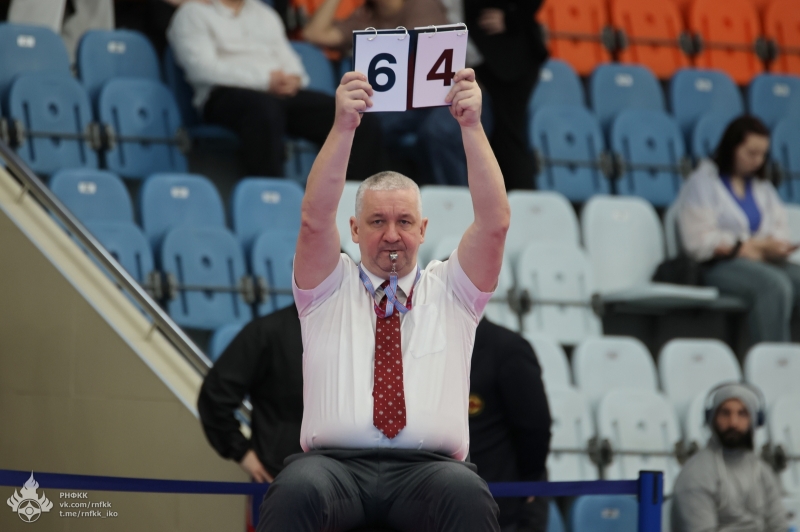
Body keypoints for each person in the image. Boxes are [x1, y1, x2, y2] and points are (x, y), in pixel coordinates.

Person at [258, 67, 510, 531]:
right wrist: (343, 127)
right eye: (377, 222)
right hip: (334, 468)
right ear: (354, 230)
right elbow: (314, 219)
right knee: (295, 489)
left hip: (430, 472)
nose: (392, 235)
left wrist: (472, 128)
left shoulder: (453, 289)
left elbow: (494, 224)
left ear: (423, 229)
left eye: (404, 222)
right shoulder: (326, 286)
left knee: (467, 493)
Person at [167, 0, 383, 179]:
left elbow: (290, 60)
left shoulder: (264, 14)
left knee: (353, 115)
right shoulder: (192, 14)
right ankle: (271, 196)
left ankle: (355, 199)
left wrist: (294, 79)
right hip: (223, 95)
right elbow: (202, 68)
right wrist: (264, 81)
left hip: (276, 93)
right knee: (264, 111)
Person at [302, 0, 472, 187]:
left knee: (438, 131)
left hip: (447, 96)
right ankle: (370, 195)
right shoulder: (365, 17)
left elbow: (428, 59)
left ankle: (454, 200)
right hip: (403, 105)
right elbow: (313, 34)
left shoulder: (421, 5)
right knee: (363, 127)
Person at [677, 116, 800, 344]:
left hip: (763, 262)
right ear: (732, 148)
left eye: (762, 154)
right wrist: (748, 246)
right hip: (718, 266)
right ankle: (773, 358)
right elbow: (698, 242)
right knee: (774, 286)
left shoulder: (763, 187)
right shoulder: (702, 183)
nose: (757, 160)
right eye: (751, 153)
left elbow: (779, 232)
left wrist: (766, 248)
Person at [197, 304, 304, 483]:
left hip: (344, 478)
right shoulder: (268, 331)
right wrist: (241, 452)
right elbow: (214, 396)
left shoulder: (350, 333)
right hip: (278, 477)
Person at [469, 317, 552, 532]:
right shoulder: (430, 346)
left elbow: (534, 427)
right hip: (450, 502)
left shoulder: (507, 348)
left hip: (505, 506)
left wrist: (531, 482)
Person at [670, 382, 787, 532]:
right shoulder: (696, 474)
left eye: (742, 413)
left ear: (755, 420)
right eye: (725, 413)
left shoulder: (762, 470)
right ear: (711, 418)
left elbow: (779, 526)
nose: (733, 422)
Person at [464, 0, 547, 190]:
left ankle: (524, 203)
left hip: (509, 61)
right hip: (488, 60)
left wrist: (512, 19)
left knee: (508, 141)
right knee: (493, 142)